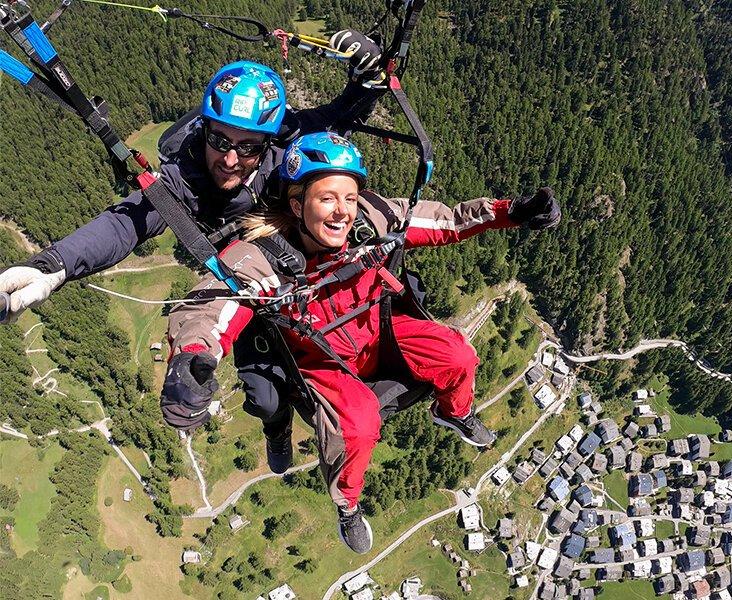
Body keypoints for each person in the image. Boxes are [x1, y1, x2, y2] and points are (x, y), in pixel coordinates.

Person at [0, 30, 384, 473]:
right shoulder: (185, 176)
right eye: (220, 141)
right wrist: (53, 266)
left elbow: (338, 120)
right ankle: (276, 429)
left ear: (267, 143)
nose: (231, 159)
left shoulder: (283, 150)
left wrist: (367, 75)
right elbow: (127, 221)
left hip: (289, 263)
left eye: (247, 148)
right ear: (204, 129)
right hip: (240, 278)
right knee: (264, 395)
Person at [164, 132, 561, 553]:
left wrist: (510, 212)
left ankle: (455, 412)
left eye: (350, 198)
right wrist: (193, 356)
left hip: (379, 331)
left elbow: (444, 220)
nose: (343, 213)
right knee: (358, 425)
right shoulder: (261, 256)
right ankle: (348, 505)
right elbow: (213, 304)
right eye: (328, 199)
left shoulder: (371, 219)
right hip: (322, 359)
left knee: (457, 354)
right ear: (297, 205)